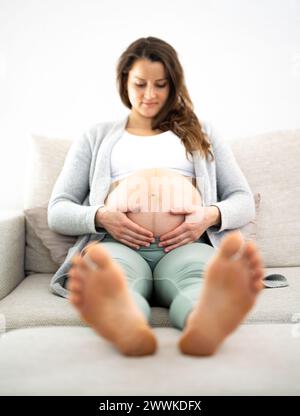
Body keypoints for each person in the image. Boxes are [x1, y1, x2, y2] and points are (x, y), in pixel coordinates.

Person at [48, 36, 264, 357]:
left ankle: (202, 326)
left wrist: (208, 215)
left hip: (186, 246)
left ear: (173, 84)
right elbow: (58, 210)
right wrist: (100, 216)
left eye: (161, 85)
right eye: (140, 84)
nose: (150, 95)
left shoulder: (201, 132)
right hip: (117, 246)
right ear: (124, 82)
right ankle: (127, 326)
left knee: (199, 285)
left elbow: (242, 200)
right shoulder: (95, 137)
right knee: (116, 285)